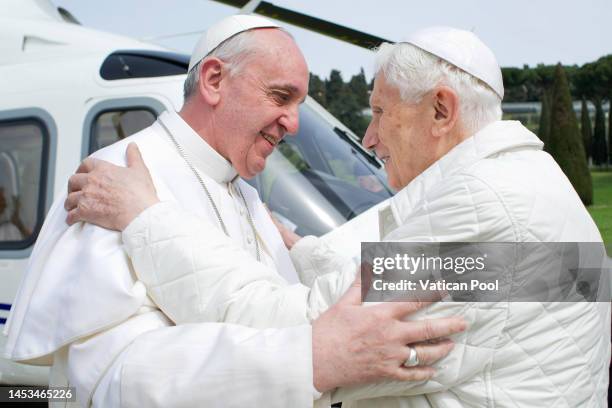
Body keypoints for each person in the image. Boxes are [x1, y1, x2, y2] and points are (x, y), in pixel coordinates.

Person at [64, 26, 611, 406]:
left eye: (378, 113)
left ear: (440, 110)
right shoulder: (528, 187)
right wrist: (297, 250)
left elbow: (303, 330)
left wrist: (146, 219)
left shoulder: (487, 214)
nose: (370, 138)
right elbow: (478, 279)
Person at [2, 16, 467, 408]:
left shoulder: (503, 225)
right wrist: (310, 357)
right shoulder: (113, 181)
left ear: (445, 114)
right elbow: (100, 383)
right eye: (281, 97)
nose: (294, 123)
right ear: (213, 80)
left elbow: (476, 279)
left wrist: (317, 351)